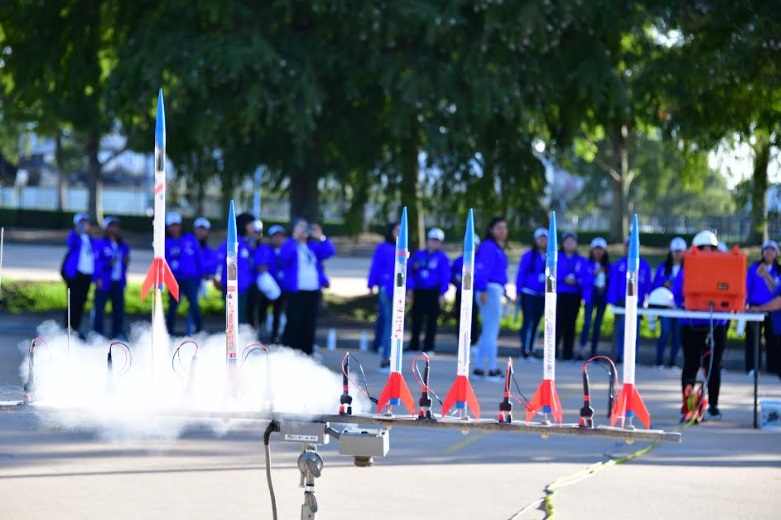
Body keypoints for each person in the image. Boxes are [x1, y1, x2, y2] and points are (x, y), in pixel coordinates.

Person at [673, 230, 727, 420]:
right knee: (690, 365)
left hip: (717, 324)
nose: (707, 251)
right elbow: (677, 294)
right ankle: (687, 405)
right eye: (703, 248)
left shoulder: (724, 269)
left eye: (711, 248)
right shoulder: (686, 270)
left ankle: (713, 406)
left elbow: (729, 289)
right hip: (691, 325)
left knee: (714, 366)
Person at [279, 218, 335, 355]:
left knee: (309, 323)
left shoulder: (313, 247)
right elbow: (284, 257)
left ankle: (307, 351)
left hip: (313, 290)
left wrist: (321, 236)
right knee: (294, 321)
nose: (304, 230)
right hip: (296, 291)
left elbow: (329, 251)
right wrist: (295, 238)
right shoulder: (289, 244)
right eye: (300, 227)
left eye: (306, 227)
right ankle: (290, 350)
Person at [474, 217, 509, 380]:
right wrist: (482, 289)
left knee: (488, 331)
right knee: (491, 331)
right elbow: (482, 269)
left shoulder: (496, 247)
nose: (502, 231)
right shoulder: (488, 246)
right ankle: (492, 368)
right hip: (489, 289)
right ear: (491, 230)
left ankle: (480, 368)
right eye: (498, 228)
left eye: (504, 228)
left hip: (494, 289)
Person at [607, 236, 652, 363]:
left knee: (634, 330)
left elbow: (647, 284)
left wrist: (647, 301)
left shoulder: (644, 265)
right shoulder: (619, 264)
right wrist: (613, 301)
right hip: (621, 303)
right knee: (620, 329)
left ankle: (632, 357)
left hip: (637, 303)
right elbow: (613, 284)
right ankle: (620, 355)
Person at [407, 228, 450, 354]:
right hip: (419, 290)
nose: (434, 243)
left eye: (437, 241)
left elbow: (445, 275)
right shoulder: (418, 255)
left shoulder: (442, 258)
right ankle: (413, 345)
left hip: (433, 291)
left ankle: (428, 347)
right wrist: (410, 288)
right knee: (416, 319)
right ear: (428, 240)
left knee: (432, 321)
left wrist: (442, 292)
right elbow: (410, 272)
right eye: (432, 240)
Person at [745, 240, 781, 377]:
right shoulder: (755, 267)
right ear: (762, 252)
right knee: (753, 338)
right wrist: (745, 303)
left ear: (776, 252)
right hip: (755, 305)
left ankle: (773, 367)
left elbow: (777, 291)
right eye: (767, 249)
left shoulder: (779, 270)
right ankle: (752, 367)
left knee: (773, 338)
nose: (769, 252)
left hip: (774, 308)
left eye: (772, 249)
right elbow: (747, 286)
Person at [367, 222, 399, 371]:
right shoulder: (383, 247)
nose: (399, 233)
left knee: (396, 324)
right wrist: (371, 284)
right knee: (388, 323)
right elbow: (376, 266)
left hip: (400, 290)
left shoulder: (404, 248)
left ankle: (391, 357)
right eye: (397, 230)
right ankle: (386, 358)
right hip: (387, 288)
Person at [215, 212, 257, 326]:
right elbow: (218, 258)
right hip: (232, 288)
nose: (254, 227)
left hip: (243, 288)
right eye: (251, 224)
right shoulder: (233, 242)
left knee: (241, 318)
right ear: (243, 225)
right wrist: (216, 276)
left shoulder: (247, 243)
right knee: (232, 320)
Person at [165, 212, 203, 335]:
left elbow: (198, 257)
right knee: (172, 306)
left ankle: (199, 331)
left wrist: (200, 275)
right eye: (172, 225)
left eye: (176, 225)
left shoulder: (190, 239)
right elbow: (165, 261)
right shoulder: (166, 242)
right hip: (174, 279)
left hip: (190, 278)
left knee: (194, 304)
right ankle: (169, 332)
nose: (175, 228)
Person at [651, 237, 687, 369]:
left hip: (679, 306)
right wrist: (663, 285)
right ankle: (659, 360)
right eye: (675, 251)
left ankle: (673, 362)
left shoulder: (688, 268)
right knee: (665, 332)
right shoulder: (663, 267)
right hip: (665, 306)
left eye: (680, 251)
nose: (677, 254)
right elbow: (655, 284)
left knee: (677, 334)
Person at [92, 216, 130, 339]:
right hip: (104, 281)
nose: (114, 228)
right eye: (111, 226)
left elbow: (124, 261)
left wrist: (126, 261)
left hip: (118, 281)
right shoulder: (100, 243)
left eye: (115, 226)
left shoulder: (122, 245)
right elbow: (96, 262)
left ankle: (117, 333)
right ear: (106, 228)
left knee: (118, 308)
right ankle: (98, 333)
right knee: (99, 308)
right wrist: (98, 277)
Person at [61, 213, 98, 338]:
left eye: (85, 222)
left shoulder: (91, 240)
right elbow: (70, 242)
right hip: (75, 275)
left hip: (87, 276)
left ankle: (76, 329)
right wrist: (77, 231)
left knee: (81, 303)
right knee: (73, 303)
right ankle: (68, 329)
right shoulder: (75, 237)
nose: (84, 225)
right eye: (80, 223)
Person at [516, 228, 548, 359]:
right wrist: (518, 291)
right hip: (528, 292)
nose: (542, 241)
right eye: (540, 238)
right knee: (528, 321)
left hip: (542, 294)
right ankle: (525, 349)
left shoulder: (549, 256)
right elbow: (521, 273)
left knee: (537, 322)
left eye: (545, 238)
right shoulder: (528, 255)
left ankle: (532, 349)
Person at [578, 237, 610, 359]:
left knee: (597, 325)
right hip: (590, 296)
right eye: (596, 249)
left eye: (600, 249)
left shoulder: (608, 267)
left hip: (602, 297)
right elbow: (583, 281)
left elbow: (610, 282)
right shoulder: (587, 265)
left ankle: (593, 352)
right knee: (587, 323)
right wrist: (594, 275)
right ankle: (582, 349)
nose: (598, 252)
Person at [555, 231, 585, 361]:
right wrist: (563, 279)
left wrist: (577, 280)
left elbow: (586, 276)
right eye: (567, 241)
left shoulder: (580, 259)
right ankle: (553, 353)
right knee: (557, 323)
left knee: (570, 324)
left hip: (574, 295)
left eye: (572, 241)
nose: (570, 244)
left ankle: (567, 353)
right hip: (560, 293)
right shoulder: (556, 257)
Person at [451, 233, 481, 355]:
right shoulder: (459, 260)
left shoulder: (480, 261)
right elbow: (452, 276)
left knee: (474, 318)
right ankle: (461, 343)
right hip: (461, 293)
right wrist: (456, 279)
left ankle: (473, 342)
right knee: (460, 317)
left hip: (475, 293)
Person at [192, 217, 216, 332]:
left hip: (200, 282)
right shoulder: (188, 244)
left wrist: (208, 275)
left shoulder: (208, 250)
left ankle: (194, 331)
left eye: (204, 229)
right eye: (199, 229)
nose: (201, 231)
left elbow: (211, 268)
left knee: (195, 306)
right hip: (187, 280)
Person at [265, 225, 287, 343]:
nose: (278, 239)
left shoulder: (286, 250)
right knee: (263, 310)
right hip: (268, 287)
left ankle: (275, 336)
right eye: (275, 237)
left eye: (280, 237)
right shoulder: (266, 250)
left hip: (282, 287)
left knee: (278, 312)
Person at [245, 219, 265, 329]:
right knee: (247, 310)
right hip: (246, 283)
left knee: (257, 310)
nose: (255, 235)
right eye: (254, 232)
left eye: (258, 233)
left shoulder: (262, 248)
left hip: (257, 283)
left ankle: (254, 332)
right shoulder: (244, 245)